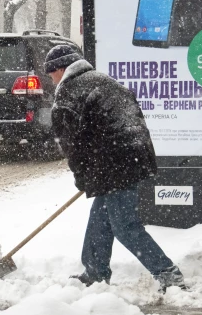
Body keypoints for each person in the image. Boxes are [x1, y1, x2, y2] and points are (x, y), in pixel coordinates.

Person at [45, 45, 187, 293]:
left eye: (51, 73)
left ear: (59, 69)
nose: (51, 79)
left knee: (125, 226)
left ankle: (168, 274)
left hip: (112, 165)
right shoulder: (102, 80)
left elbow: (70, 144)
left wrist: (83, 176)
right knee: (101, 218)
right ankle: (95, 271)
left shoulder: (68, 92)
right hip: (133, 158)